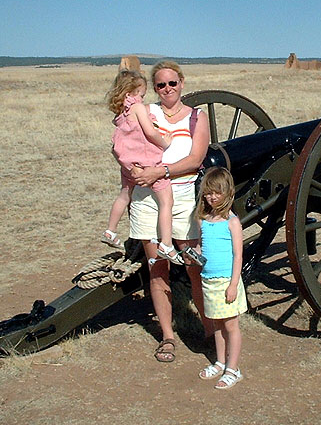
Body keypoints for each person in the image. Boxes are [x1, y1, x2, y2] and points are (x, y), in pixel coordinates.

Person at [127, 61, 212, 363]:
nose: (167, 90)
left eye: (172, 84)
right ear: (155, 87)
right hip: (148, 199)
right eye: (161, 85)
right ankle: (167, 336)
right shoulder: (146, 112)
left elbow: (195, 159)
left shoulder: (196, 118)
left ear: (182, 83)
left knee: (193, 267)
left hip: (182, 199)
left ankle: (210, 330)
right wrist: (138, 172)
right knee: (157, 269)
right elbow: (126, 141)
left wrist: (159, 170)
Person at [103, 70, 181, 264]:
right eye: (141, 94)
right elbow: (150, 132)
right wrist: (165, 142)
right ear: (130, 93)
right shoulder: (137, 108)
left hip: (129, 165)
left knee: (123, 196)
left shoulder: (120, 114)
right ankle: (166, 244)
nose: (142, 98)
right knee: (166, 201)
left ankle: (110, 231)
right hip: (148, 163)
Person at [192, 166, 245, 390]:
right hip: (209, 280)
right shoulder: (204, 220)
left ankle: (233, 369)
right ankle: (220, 361)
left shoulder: (232, 222)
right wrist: (194, 255)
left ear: (227, 193)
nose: (211, 197)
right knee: (215, 324)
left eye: (216, 193)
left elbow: (238, 255)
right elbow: (201, 247)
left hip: (226, 282)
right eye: (208, 192)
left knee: (231, 325)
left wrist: (233, 284)